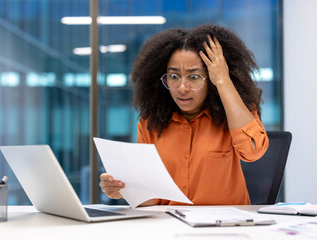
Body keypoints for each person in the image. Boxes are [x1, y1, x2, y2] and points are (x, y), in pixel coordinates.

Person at [99, 24, 269, 206]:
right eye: (173, 77)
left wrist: (223, 80)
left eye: (194, 77)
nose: (181, 88)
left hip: (223, 229)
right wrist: (124, 190)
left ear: (211, 80)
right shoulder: (150, 123)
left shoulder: (234, 114)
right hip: (170, 226)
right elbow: (151, 199)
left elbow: (253, 152)